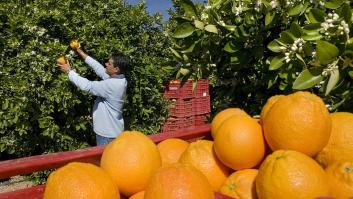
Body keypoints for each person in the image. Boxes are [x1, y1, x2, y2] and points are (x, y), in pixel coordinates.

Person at [57, 45, 129, 146]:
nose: (106, 64)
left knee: (106, 161)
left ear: (116, 69)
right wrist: (80, 51)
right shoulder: (120, 79)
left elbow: (88, 86)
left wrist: (69, 71)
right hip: (112, 131)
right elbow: (98, 68)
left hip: (107, 136)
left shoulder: (112, 85)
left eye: (109, 63)